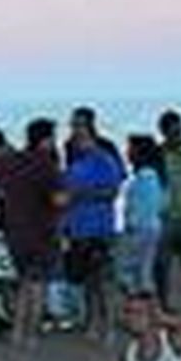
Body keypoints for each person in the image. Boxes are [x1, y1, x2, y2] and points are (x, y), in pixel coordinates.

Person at [0, 119, 65, 345]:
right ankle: (32, 334)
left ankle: (17, 331)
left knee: (24, 282)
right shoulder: (46, 164)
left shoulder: (11, 161)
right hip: (40, 231)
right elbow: (57, 199)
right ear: (46, 140)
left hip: (14, 231)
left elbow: (0, 192)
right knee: (37, 285)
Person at [62, 112, 127, 342]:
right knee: (88, 281)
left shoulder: (104, 159)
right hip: (78, 229)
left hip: (99, 229)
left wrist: (81, 195)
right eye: (73, 128)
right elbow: (65, 194)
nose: (75, 133)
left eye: (79, 129)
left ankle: (108, 327)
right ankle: (91, 324)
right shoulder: (74, 162)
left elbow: (113, 191)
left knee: (103, 281)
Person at [155, 109, 181, 310]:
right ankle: (163, 304)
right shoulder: (158, 154)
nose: (178, 134)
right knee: (161, 265)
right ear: (164, 131)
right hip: (163, 218)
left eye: (180, 130)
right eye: (174, 131)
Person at [121, 135, 166, 296]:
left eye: (131, 149)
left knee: (130, 273)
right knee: (144, 272)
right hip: (152, 227)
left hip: (140, 228)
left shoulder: (144, 179)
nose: (127, 153)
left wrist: (131, 225)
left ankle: (139, 312)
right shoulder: (156, 178)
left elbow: (138, 209)